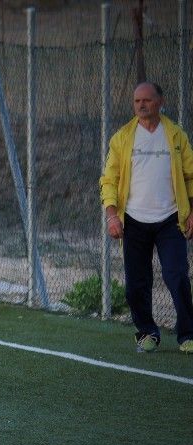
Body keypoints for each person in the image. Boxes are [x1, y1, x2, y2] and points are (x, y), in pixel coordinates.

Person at [100, 81, 193, 354]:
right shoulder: (122, 138)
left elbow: (190, 176)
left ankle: (187, 335)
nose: (141, 105)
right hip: (134, 221)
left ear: (160, 102)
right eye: (137, 101)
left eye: (147, 100)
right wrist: (112, 215)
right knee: (136, 285)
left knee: (177, 275)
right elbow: (109, 180)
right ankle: (147, 333)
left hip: (170, 220)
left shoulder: (176, 135)